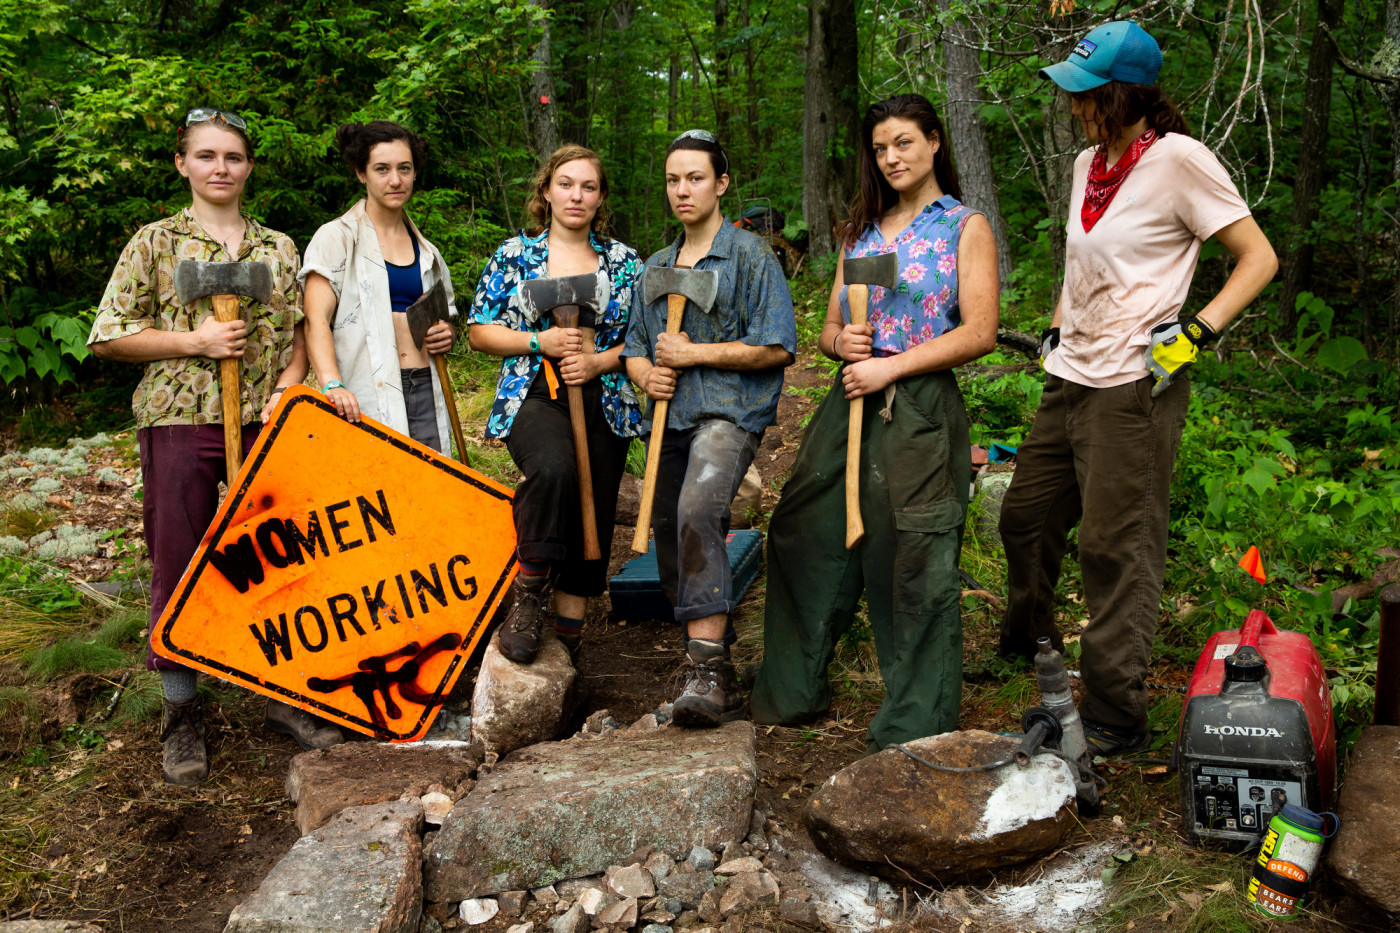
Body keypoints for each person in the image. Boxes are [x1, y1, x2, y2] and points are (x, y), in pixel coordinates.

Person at [998, 22, 1278, 755]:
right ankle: (1037, 652)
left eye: (1086, 94)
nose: (1073, 105)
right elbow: (1078, 262)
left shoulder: (1181, 161)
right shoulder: (1089, 162)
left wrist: (1199, 331)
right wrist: (1060, 324)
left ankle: (1115, 710)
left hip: (1133, 385)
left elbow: (1258, 257)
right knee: (1025, 519)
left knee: (1113, 546)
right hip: (1070, 376)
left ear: (1124, 95)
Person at [87, 108, 344, 786]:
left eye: (232, 155)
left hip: (262, 420)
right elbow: (109, 335)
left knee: (280, 554)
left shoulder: (279, 248)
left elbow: (295, 333)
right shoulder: (154, 242)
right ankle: (181, 711)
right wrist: (192, 342)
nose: (220, 167)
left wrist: (289, 386)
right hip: (179, 420)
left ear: (248, 165)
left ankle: (285, 696)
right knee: (182, 555)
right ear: (183, 164)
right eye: (206, 156)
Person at [749, 95, 999, 752]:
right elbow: (830, 329)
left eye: (904, 142)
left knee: (914, 550)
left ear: (936, 142)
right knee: (804, 527)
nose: (890, 157)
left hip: (917, 402)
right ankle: (791, 688)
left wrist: (892, 368)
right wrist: (843, 346)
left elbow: (980, 331)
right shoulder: (862, 230)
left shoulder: (963, 227)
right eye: (881, 147)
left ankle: (915, 720)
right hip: (851, 397)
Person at [623, 130, 796, 727]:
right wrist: (648, 375)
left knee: (699, 508)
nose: (683, 190)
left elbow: (775, 346)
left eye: (695, 178)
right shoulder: (656, 266)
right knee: (673, 539)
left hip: (729, 414)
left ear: (720, 184)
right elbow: (637, 348)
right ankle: (702, 642)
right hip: (670, 419)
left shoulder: (751, 256)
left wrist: (694, 354)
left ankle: (708, 670)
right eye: (673, 179)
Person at [469, 144, 644, 662]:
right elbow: (479, 332)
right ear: (546, 191)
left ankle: (568, 639)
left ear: (601, 198)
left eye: (588, 186)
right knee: (553, 470)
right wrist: (536, 342)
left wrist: (599, 361)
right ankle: (528, 595)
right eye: (566, 183)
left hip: (605, 396)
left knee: (597, 505)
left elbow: (641, 339)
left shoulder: (624, 261)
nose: (576, 195)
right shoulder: (515, 255)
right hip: (534, 391)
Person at [301, 121, 458, 453]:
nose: (395, 180)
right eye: (382, 169)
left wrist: (446, 332)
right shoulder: (336, 238)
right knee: (379, 489)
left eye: (404, 168)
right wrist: (332, 384)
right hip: (363, 391)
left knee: (429, 487)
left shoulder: (428, 253)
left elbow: (445, 322)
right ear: (362, 173)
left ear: (415, 173)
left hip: (425, 386)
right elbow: (316, 320)